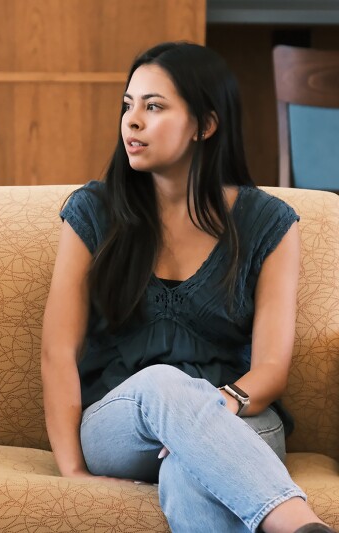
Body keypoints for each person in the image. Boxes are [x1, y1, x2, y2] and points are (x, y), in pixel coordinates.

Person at [41, 42, 335, 533]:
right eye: (128, 105)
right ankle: (302, 526)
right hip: (123, 422)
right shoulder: (94, 211)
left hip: (239, 416)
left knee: (188, 467)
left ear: (205, 125)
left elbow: (270, 368)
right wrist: (72, 469)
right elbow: (57, 351)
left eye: (153, 106)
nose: (132, 121)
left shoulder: (267, 224)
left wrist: (218, 404)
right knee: (163, 382)